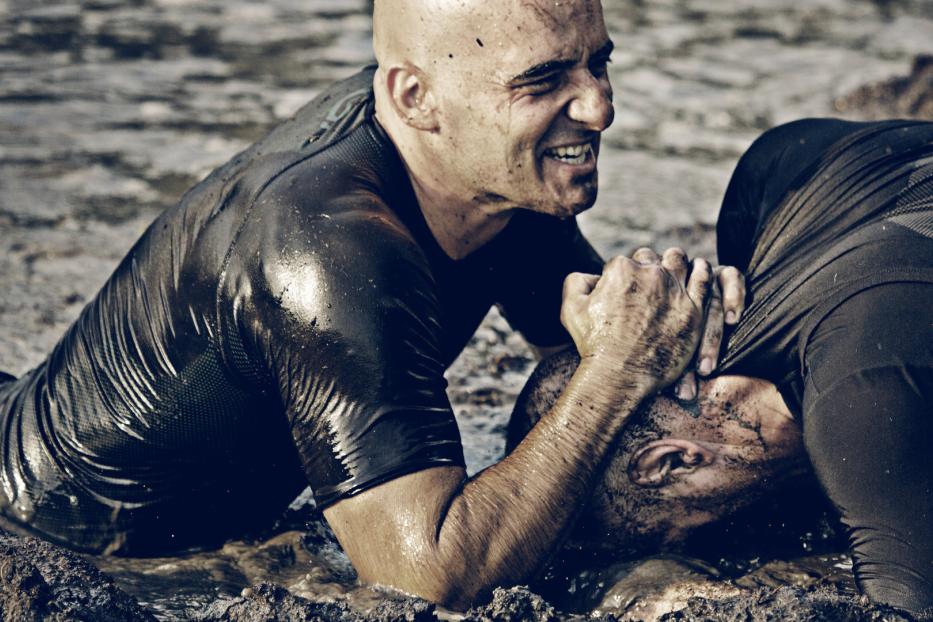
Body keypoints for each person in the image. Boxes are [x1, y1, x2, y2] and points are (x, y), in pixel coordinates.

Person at [0, 0, 744, 609]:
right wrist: (614, 371)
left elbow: (590, 327)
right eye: (544, 80)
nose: (599, 107)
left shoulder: (487, 157)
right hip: (58, 527)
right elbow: (425, 579)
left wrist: (702, 309)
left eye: (599, 61)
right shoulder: (328, 247)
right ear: (413, 98)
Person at [512, 118, 933, 615]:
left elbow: (905, 609)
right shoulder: (769, 180)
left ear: (669, 461)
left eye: (683, 533)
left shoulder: (866, 406)